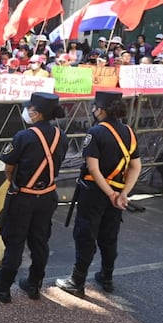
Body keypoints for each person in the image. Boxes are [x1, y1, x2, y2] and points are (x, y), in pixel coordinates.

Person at [0, 92, 67, 303]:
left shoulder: (24, 136)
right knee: (40, 242)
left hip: (23, 196)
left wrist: (14, 182)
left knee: (15, 241)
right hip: (48, 195)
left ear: (35, 113)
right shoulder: (61, 135)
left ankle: (2, 287)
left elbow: (9, 167)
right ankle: (34, 283)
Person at [56, 91, 141, 297]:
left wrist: (110, 193)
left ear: (100, 110)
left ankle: (77, 281)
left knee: (85, 235)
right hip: (117, 192)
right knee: (109, 237)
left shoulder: (95, 132)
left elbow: (93, 169)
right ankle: (107, 277)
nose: (93, 111)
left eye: (94, 107)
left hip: (95, 192)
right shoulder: (129, 132)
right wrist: (122, 194)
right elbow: (136, 166)